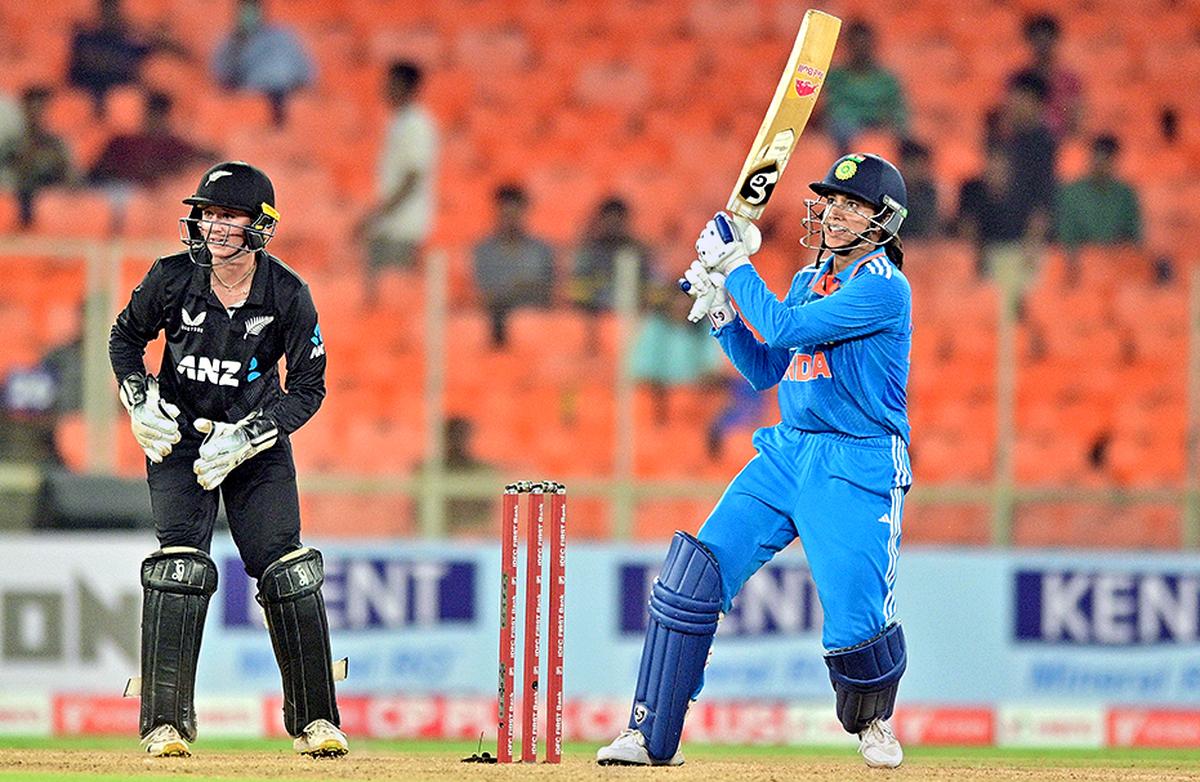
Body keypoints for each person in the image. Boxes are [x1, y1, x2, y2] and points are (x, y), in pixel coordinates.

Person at [597, 153, 913, 770]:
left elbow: (785, 329)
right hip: (787, 448)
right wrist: (720, 310)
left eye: (854, 204)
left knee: (855, 620)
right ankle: (648, 734)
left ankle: (872, 720)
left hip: (857, 461)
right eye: (832, 200)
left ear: (883, 221)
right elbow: (768, 366)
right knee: (692, 580)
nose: (837, 212)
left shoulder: (883, 289)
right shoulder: (806, 278)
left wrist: (735, 264)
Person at [108, 161, 347, 758]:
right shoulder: (169, 278)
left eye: (227, 216)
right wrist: (138, 397)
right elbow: (124, 338)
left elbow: (309, 389)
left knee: (287, 570)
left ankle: (317, 721)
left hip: (254, 444)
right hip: (180, 439)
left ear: (261, 226)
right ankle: (164, 723)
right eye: (206, 214)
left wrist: (254, 433)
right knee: (178, 566)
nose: (211, 227)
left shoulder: (289, 294)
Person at [356, 60, 438, 287]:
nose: (386, 89)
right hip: (391, 227)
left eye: (393, 84)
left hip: (402, 230)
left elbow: (412, 180)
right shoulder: (398, 123)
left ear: (408, 87)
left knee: (392, 293)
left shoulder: (417, 124)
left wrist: (376, 216)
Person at [67, 0, 188, 116]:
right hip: (82, 100)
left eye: (114, 10)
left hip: (123, 105)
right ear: (100, 12)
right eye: (106, 10)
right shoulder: (83, 39)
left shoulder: (132, 45)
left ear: (119, 12)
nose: (110, 15)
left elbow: (167, 48)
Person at [471, 184, 556, 348]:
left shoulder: (542, 250)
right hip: (495, 316)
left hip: (533, 318)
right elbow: (484, 292)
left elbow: (546, 291)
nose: (510, 220)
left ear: (524, 214)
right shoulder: (483, 251)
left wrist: (515, 290)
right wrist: (520, 287)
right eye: (506, 214)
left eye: (515, 214)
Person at [211, 0, 315, 127]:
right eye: (245, 12)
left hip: (283, 91)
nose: (249, 16)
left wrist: (302, 83)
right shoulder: (231, 42)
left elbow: (304, 67)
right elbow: (221, 72)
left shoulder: (281, 37)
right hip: (247, 96)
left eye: (253, 11)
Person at [89, 91, 213, 192]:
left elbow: (206, 157)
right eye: (153, 113)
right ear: (146, 113)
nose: (156, 119)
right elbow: (97, 172)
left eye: (160, 114)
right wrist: (133, 172)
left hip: (160, 197)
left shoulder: (175, 145)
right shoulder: (122, 142)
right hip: (126, 193)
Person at [820, 19, 909, 153]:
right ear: (849, 46)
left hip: (878, 126)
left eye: (864, 45)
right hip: (844, 131)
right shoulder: (836, 77)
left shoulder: (886, 79)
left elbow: (897, 111)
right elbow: (830, 109)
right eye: (857, 45)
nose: (861, 50)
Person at [1056, 134, 1142, 270]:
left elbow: (1134, 236)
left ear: (1115, 161)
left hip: (1115, 264)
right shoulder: (1072, 193)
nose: (1101, 165)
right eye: (1098, 159)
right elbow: (1067, 238)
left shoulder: (1126, 194)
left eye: (1107, 160)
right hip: (1083, 264)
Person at [0, 86, 73, 228]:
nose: (36, 114)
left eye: (41, 109)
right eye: (31, 109)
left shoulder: (57, 144)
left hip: (51, 205)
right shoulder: (10, 144)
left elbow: (72, 181)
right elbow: (11, 178)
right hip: (15, 199)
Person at [569, 196, 653, 314]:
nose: (613, 226)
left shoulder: (638, 253)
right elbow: (578, 290)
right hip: (594, 315)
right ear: (601, 221)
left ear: (625, 222)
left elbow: (651, 288)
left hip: (630, 315)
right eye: (609, 220)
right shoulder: (589, 252)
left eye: (617, 220)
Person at [1011, 13, 1082, 141]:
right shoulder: (1018, 79)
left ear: (1055, 40)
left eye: (1047, 38)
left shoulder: (1070, 80)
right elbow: (1012, 120)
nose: (1042, 45)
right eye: (1038, 39)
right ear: (1030, 41)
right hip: (1025, 146)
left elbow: (1076, 123)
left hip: (1059, 146)